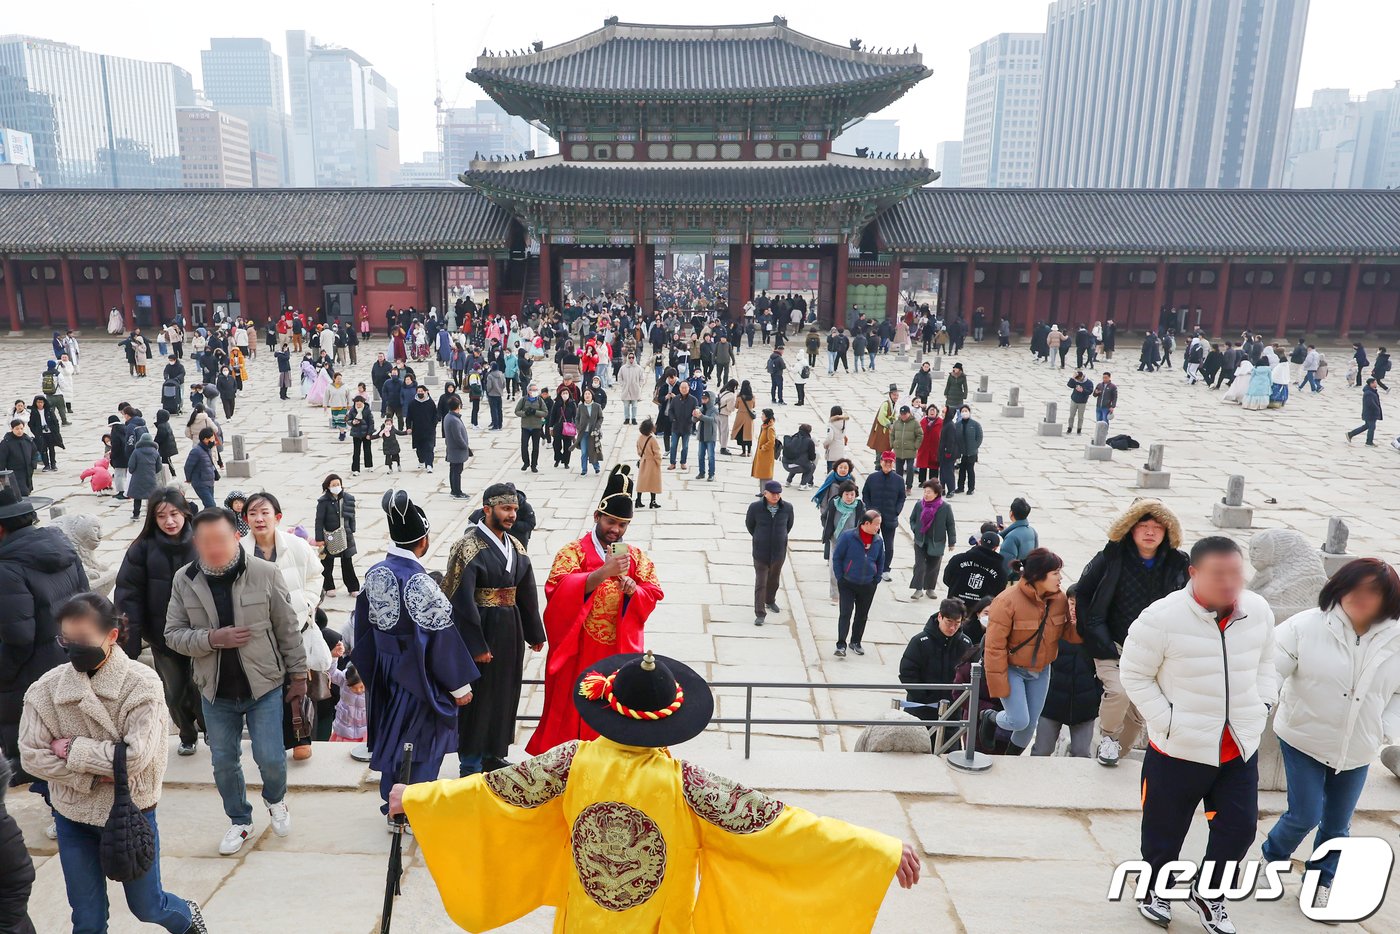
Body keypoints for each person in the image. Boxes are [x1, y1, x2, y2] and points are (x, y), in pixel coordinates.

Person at [393, 649, 920, 931]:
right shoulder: (688, 784)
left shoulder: (569, 763)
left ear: (607, 708)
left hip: (586, 921)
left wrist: (414, 799)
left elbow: (492, 792)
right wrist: (875, 850)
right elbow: (781, 826)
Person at [19, 592, 207, 934]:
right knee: (87, 918)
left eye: (83, 640)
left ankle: (185, 916)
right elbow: (31, 755)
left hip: (131, 810)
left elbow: (136, 757)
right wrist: (89, 779)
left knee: (148, 906)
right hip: (72, 814)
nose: (74, 648)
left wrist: (73, 749)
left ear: (112, 635)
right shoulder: (45, 691)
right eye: (67, 640)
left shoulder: (142, 685)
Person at [1119, 537, 1277, 931]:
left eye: (1236, 573)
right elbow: (1134, 674)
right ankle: (1154, 886)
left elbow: (1267, 661)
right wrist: (1166, 721)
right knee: (1164, 828)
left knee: (1239, 829)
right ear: (1194, 573)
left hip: (1238, 745)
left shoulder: (1257, 610)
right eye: (1218, 574)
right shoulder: (1161, 617)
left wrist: (1263, 705)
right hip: (1179, 747)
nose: (1229, 583)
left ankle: (1208, 893)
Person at [164, 507, 308, 856]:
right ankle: (240, 820)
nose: (214, 548)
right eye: (205, 541)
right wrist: (213, 639)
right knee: (223, 761)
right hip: (215, 690)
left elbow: (287, 628)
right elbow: (172, 634)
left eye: (221, 540)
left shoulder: (265, 573)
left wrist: (299, 676)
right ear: (195, 543)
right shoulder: (185, 580)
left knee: (271, 757)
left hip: (264, 685)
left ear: (237, 536)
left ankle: (276, 801)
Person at [1262, 558, 1400, 911]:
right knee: (1304, 815)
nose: (1361, 597)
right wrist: (1262, 701)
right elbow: (1272, 667)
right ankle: (1273, 857)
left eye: (1373, 591)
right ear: (1339, 586)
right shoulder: (1305, 626)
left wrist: (1385, 728)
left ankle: (1321, 881)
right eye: (1355, 587)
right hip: (1303, 737)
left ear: (1388, 598)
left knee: (1338, 826)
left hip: (1357, 748)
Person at [351, 490, 479, 816]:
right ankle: (415, 807)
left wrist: (370, 668)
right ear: (423, 541)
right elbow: (441, 637)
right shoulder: (421, 582)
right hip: (418, 674)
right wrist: (459, 686)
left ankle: (392, 803)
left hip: (385, 671)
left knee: (394, 738)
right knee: (423, 741)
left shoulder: (375, 573)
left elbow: (362, 629)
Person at [527, 468, 663, 754]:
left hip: (617, 649)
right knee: (573, 706)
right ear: (597, 517)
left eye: (622, 525)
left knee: (615, 710)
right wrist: (601, 573)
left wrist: (632, 591)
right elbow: (557, 588)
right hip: (578, 649)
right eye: (611, 522)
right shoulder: (573, 552)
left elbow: (653, 591)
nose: (616, 529)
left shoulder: (634, 556)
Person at [1074, 499, 1190, 767]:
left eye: (1157, 526)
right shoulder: (1110, 557)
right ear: (1130, 528)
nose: (1150, 532)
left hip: (1154, 649)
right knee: (1119, 692)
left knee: (1139, 712)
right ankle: (1108, 737)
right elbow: (1083, 592)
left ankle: (1116, 750)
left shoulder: (1179, 563)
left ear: (1167, 531)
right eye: (1143, 525)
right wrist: (1090, 630)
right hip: (1111, 642)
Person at [0, 483, 88, 777]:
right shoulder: (63, 547)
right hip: (74, 657)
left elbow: (19, 638)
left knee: (38, 752)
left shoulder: (7, 569)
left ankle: (63, 815)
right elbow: (88, 602)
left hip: (32, 672)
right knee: (69, 743)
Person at [115, 489, 204, 755]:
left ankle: (210, 728)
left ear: (185, 513)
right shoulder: (141, 548)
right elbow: (128, 595)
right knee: (174, 692)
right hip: (163, 635)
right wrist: (128, 641)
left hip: (201, 633)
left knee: (202, 687)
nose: (169, 521)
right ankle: (187, 732)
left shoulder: (201, 540)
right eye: (162, 516)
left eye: (174, 514)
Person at [976, 548, 1076, 756]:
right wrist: (999, 685)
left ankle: (1011, 763)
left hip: (1041, 670)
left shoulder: (1059, 600)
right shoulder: (1006, 601)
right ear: (1039, 575)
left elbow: (1069, 635)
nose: (1060, 577)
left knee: (1029, 726)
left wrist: (1078, 621)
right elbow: (993, 649)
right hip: (1013, 669)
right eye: (1055, 573)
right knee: (1019, 720)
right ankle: (990, 717)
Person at [1031, 584, 1103, 758]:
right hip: (1051, 703)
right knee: (1042, 750)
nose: (1074, 608)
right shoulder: (1053, 629)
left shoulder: (1097, 633)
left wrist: (1096, 695)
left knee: (1082, 753)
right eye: (1071, 603)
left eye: (1078, 604)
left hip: (1084, 706)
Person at [899, 599, 974, 729]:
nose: (952, 628)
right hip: (921, 709)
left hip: (952, 711)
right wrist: (924, 697)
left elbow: (970, 675)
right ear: (940, 616)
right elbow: (907, 672)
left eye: (957, 623)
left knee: (951, 748)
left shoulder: (966, 643)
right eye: (949, 622)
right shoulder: (920, 641)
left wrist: (959, 700)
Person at [831, 510, 884, 657]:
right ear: (866, 524)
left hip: (868, 584)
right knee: (845, 613)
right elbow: (837, 558)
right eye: (876, 524)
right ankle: (841, 644)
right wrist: (840, 577)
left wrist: (876, 578)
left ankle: (856, 642)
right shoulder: (848, 537)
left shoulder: (878, 540)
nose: (878, 528)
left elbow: (881, 560)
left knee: (862, 615)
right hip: (848, 583)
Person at [746, 481, 794, 628]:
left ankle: (770, 600)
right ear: (765, 493)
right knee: (761, 582)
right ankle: (760, 613)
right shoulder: (755, 508)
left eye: (778, 493)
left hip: (779, 551)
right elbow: (750, 525)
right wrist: (760, 537)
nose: (776, 496)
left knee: (774, 579)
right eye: (773, 493)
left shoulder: (787, 508)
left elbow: (789, 526)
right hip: (760, 551)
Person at [861, 451, 906, 581]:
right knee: (870, 542)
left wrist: (896, 511)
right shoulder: (872, 478)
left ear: (893, 463)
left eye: (890, 462)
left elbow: (902, 497)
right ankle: (870, 567)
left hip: (890, 517)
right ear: (880, 462)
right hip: (873, 517)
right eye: (885, 461)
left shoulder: (898, 480)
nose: (887, 464)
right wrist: (869, 511)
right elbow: (866, 494)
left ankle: (886, 569)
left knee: (889, 545)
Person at [908, 480, 955, 600]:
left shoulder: (945, 507)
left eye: (929, 492)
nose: (926, 494)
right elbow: (912, 519)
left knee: (933, 566)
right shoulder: (919, 505)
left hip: (937, 542)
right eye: (925, 492)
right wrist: (916, 529)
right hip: (920, 540)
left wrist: (952, 542)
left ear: (936, 494)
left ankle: (930, 588)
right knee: (920, 565)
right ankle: (918, 589)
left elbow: (950, 525)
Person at [314, 474, 359, 596]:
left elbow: (352, 516)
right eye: (333, 485)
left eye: (338, 484)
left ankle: (353, 587)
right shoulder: (323, 502)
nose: (336, 487)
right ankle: (328, 586)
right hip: (329, 536)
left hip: (346, 534)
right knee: (328, 562)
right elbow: (319, 521)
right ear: (328, 487)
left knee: (347, 561)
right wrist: (319, 539)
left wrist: (352, 530)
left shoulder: (348, 498)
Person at [821, 480, 864, 604]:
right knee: (834, 569)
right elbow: (825, 517)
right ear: (841, 494)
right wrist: (828, 530)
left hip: (853, 542)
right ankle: (835, 595)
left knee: (850, 569)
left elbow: (863, 522)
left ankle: (849, 594)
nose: (849, 497)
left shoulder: (859, 505)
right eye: (847, 494)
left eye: (852, 494)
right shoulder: (833, 504)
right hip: (836, 541)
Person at [999, 497, 1038, 575]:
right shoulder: (1032, 531)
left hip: (1013, 579)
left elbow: (1006, 565)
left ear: (1011, 513)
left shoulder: (1011, 537)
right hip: (1025, 575)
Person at [515, 383, 548, 472]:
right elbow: (517, 411)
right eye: (532, 390)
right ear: (528, 391)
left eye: (535, 390)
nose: (534, 392)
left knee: (535, 447)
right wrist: (525, 414)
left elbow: (545, 412)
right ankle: (526, 462)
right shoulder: (523, 400)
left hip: (536, 427)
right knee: (524, 446)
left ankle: (534, 465)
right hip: (525, 426)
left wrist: (535, 412)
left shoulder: (540, 400)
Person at [0, 420, 38, 497]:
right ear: (12, 429)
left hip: (28, 471)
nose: (19, 431)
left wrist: (33, 464)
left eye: (21, 428)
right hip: (15, 472)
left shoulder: (27, 440)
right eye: (17, 429)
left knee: (27, 490)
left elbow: (34, 452)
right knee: (22, 492)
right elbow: (2, 459)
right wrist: (2, 475)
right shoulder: (6, 442)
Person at [183, 427, 218, 509]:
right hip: (200, 483)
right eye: (212, 438)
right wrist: (188, 479)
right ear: (205, 439)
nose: (213, 440)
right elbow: (188, 467)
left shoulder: (207, 449)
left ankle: (206, 520)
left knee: (209, 505)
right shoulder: (196, 451)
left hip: (209, 482)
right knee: (211, 505)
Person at [407, 383, 439, 472]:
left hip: (429, 430)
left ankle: (429, 465)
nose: (420, 393)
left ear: (425, 392)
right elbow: (409, 417)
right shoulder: (412, 403)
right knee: (419, 448)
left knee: (429, 447)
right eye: (418, 391)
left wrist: (434, 425)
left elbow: (435, 415)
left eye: (422, 391)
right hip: (417, 430)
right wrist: (409, 427)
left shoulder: (430, 402)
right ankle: (421, 460)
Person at [953, 404, 983, 495]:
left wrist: (974, 447)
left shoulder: (975, 424)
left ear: (969, 412)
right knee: (961, 470)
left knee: (970, 470)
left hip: (971, 452)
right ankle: (960, 487)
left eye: (966, 411)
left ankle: (971, 488)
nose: (964, 413)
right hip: (961, 452)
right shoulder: (957, 425)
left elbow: (979, 437)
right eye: (963, 411)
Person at [27, 396, 62, 473]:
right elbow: (31, 424)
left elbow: (55, 421)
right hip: (40, 433)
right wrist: (36, 432)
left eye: (41, 402)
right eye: (38, 402)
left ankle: (53, 463)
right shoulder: (34, 412)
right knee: (43, 449)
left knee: (51, 449)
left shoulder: (49, 410)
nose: (40, 404)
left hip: (50, 432)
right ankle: (46, 464)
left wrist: (56, 430)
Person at [865, 384, 898, 465]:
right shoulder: (886, 404)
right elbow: (881, 417)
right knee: (880, 447)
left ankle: (884, 463)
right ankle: (878, 464)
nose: (896, 397)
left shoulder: (893, 405)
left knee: (886, 447)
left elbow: (894, 416)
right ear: (890, 395)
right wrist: (889, 424)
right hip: (882, 428)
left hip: (887, 430)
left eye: (897, 395)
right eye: (894, 395)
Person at [1346, 377, 1383, 445]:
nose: (1376, 384)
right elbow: (1370, 404)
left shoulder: (1372, 391)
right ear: (1371, 384)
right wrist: (1376, 409)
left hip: (1371, 413)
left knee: (1367, 426)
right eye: (1375, 382)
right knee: (1371, 428)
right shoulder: (1369, 393)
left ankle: (1350, 434)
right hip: (1370, 414)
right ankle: (1369, 442)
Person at [751, 408, 777, 492]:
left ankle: (766, 492)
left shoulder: (770, 428)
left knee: (766, 475)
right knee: (762, 474)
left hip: (766, 454)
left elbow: (771, 441)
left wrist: (763, 447)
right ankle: (762, 491)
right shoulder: (764, 426)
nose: (761, 416)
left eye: (763, 415)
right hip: (762, 455)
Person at [1066, 370, 1094, 435]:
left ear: (1082, 377)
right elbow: (1069, 385)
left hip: (1082, 402)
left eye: (1079, 378)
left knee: (1080, 417)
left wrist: (1082, 390)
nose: (1078, 380)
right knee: (1071, 416)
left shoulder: (1088, 382)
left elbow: (1090, 391)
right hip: (1074, 400)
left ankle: (1079, 429)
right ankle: (1070, 428)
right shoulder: (1076, 380)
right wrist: (1073, 378)